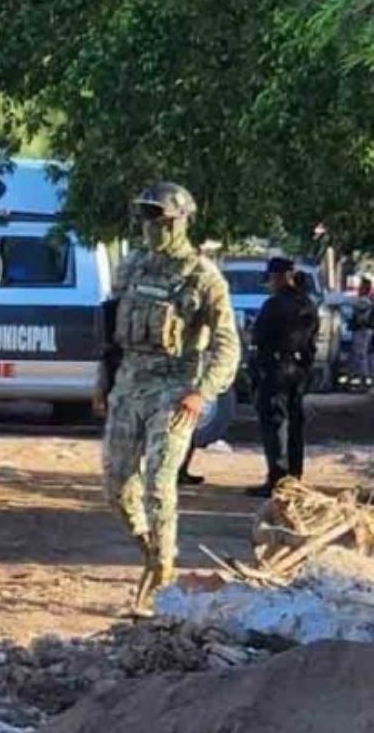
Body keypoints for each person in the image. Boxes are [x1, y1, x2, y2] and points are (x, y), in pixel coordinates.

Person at [96, 182, 239, 617]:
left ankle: (161, 574)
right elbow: (110, 334)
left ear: (180, 222)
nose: (150, 227)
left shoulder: (203, 276)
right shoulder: (131, 267)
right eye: (145, 218)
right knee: (116, 485)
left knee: (159, 482)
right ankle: (151, 551)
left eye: (159, 219)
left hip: (174, 389)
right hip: (129, 385)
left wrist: (203, 392)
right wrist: (102, 382)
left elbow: (227, 344)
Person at [245, 257, 319, 498]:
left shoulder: (274, 304)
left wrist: (256, 368)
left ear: (279, 277)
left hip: (275, 368)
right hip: (298, 368)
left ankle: (277, 478)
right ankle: (294, 476)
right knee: (295, 423)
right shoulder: (307, 303)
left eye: (271, 278)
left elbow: (258, 337)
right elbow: (311, 342)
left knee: (274, 423)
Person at [351, 277, 373, 387]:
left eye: (361, 286)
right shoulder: (368, 301)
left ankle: (363, 379)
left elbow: (356, 308)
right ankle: (363, 378)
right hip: (365, 330)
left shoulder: (362, 301)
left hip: (362, 330)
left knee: (361, 354)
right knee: (363, 354)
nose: (359, 288)